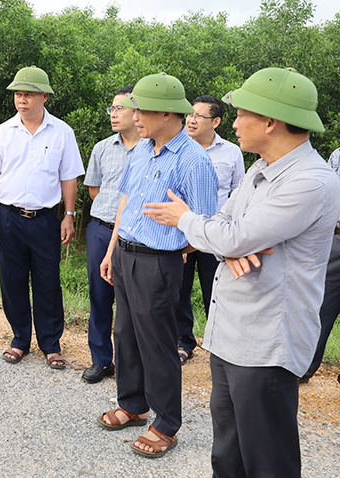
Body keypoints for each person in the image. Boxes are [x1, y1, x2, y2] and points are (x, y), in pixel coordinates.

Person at [143, 67, 340, 477]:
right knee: (228, 454)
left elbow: (230, 233)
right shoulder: (259, 169)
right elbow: (226, 226)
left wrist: (188, 221)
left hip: (266, 344)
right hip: (232, 334)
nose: (233, 122)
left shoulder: (310, 181)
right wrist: (228, 243)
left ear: (270, 121)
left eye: (242, 113)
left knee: (267, 460)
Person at [96, 73, 218, 458]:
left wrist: (173, 251)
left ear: (167, 113)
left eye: (141, 111)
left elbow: (205, 226)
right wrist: (112, 251)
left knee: (158, 344)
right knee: (126, 335)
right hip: (125, 253)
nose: (134, 118)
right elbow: (126, 203)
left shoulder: (194, 160)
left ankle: (166, 423)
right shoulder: (142, 150)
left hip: (158, 263)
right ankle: (132, 404)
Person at [0, 66, 84, 369]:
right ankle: (20, 339)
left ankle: (51, 343)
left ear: (44, 96)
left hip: (47, 218)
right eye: (18, 94)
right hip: (8, 217)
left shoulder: (62, 132)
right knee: (13, 280)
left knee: (48, 281)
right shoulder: (2, 133)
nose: (22, 100)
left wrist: (69, 215)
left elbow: (69, 179)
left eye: (29, 94)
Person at [176, 95, 245, 364]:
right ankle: (184, 341)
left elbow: (238, 194)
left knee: (216, 290)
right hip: (182, 231)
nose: (191, 120)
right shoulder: (178, 148)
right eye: (190, 115)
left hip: (216, 234)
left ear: (216, 121)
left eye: (199, 116)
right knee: (179, 289)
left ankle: (220, 345)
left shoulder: (231, 152)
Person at [81, 85, 140, 383]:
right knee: (100, 297)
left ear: (137, 112)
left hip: (138, 238)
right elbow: (95, 191)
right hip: (101, 230)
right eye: (112, 109)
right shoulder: (102, 147)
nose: (114, 114)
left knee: (132, 303)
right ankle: (101, 360)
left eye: (120, 109)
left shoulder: (151, 148)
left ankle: (132, 366)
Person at [300, 145, 340, 384]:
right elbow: (328, 190)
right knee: (321, 306)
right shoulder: (338, 154)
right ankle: (303, 367)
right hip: (335, 238)